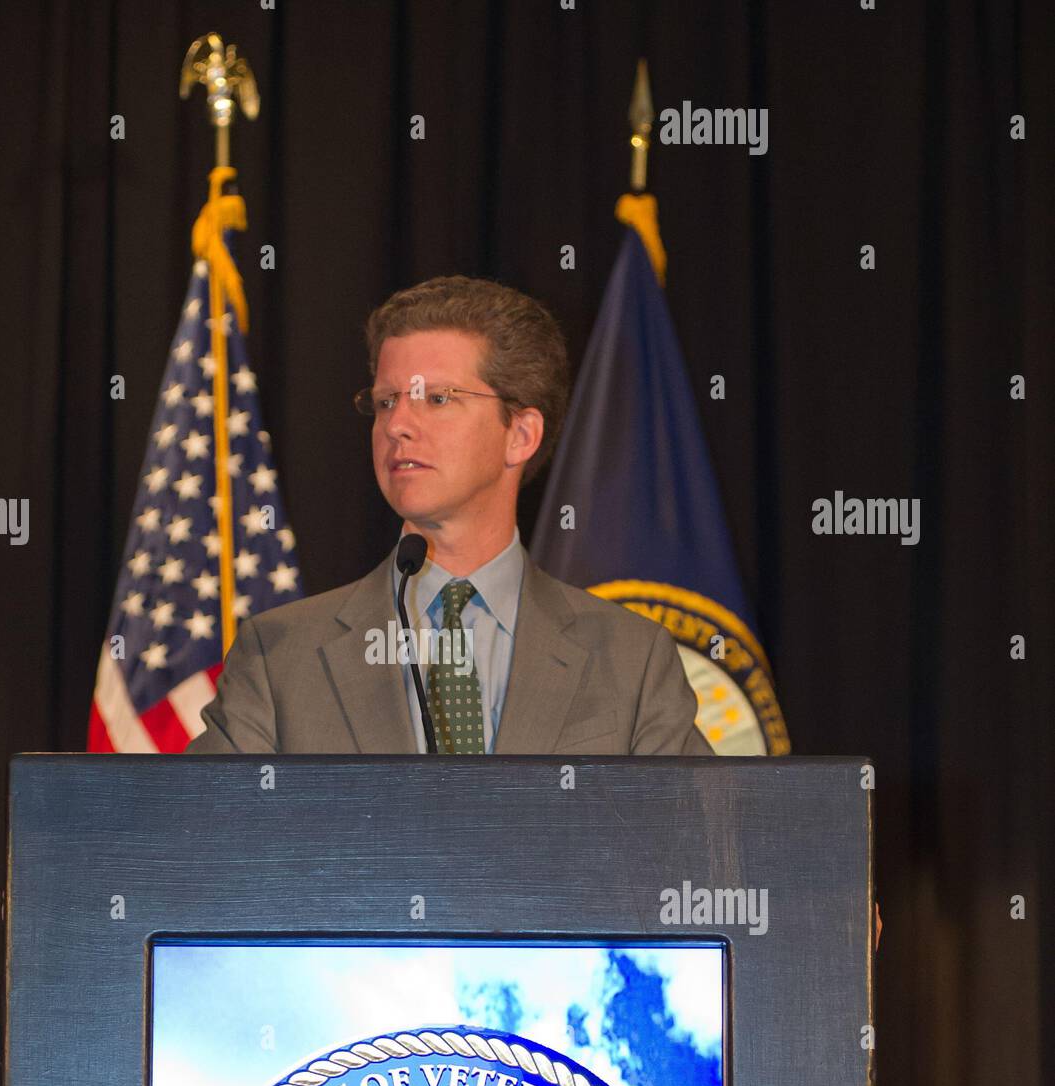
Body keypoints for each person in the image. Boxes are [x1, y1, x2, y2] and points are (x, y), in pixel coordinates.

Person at [185, 275, 712, 756]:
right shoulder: (278, 657)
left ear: (520, 434)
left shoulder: (633, 662)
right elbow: (197, 824)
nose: (398, 425)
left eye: (436, 398)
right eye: (386, 401)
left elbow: (698, 828)